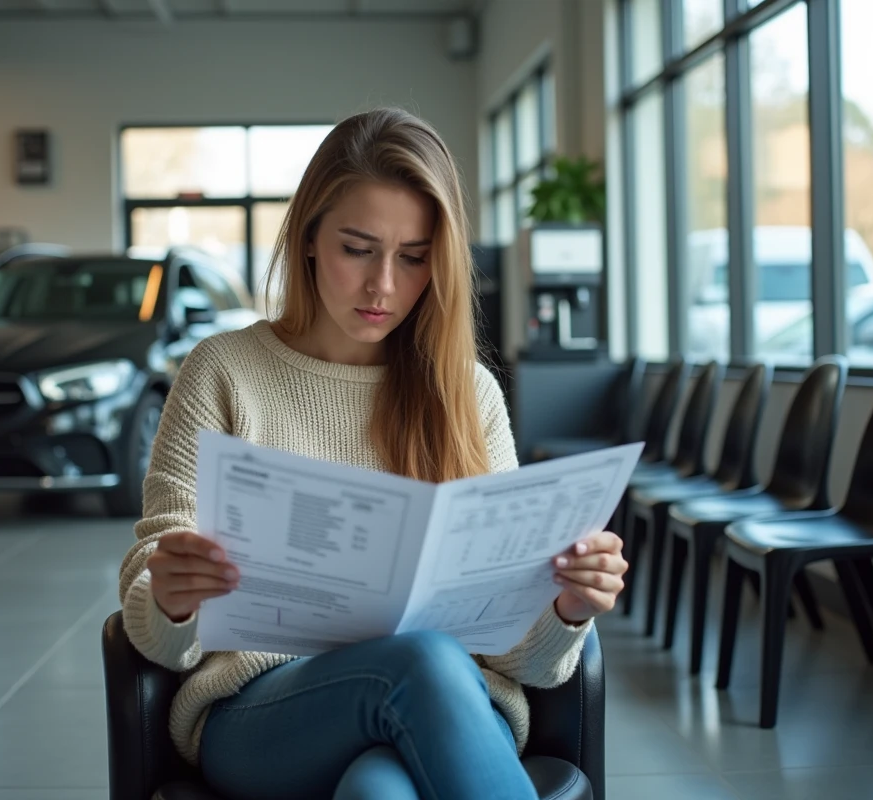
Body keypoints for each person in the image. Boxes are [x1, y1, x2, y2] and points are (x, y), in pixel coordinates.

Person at [118, 108, 629, 800]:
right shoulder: (223, 371)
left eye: (413, 257)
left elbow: (526, 663)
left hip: (447, 710)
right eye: (357, 249)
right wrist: (173, 600)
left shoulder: (467, 392)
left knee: (378, 794)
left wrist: (565, 608)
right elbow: (155, 625)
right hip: (265, 718)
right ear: (307, 239)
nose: (383, 286)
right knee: (418, 662)